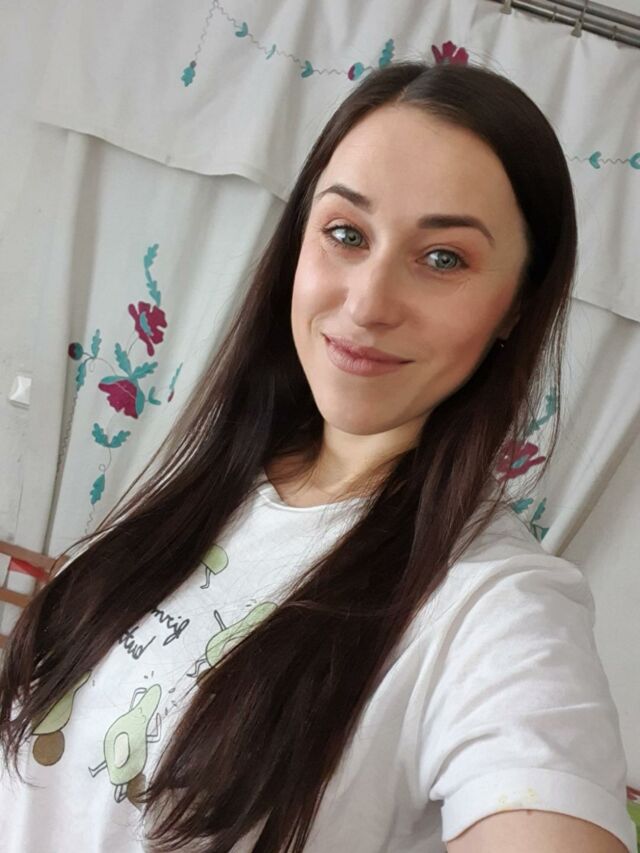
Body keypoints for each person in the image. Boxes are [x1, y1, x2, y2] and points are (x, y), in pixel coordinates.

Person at [0, 59, 635, 853]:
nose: (367, 303)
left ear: (517, 307)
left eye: (444, 258)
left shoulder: (495, 606)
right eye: (346, 234)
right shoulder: (208, 483)